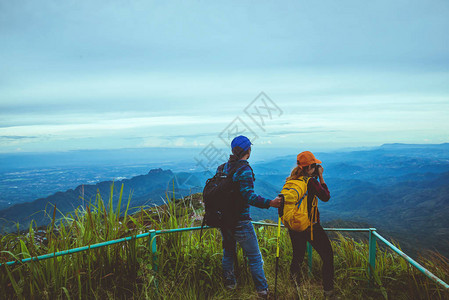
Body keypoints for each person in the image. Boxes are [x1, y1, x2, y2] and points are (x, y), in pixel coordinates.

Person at [217, 135, 281, 298]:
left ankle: (230, 286)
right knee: (254, 257)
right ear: (248, 150)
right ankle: (262, 291)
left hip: (224, 220)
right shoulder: (244, 170)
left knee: (228, 253)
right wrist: (270, 203)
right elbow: (249, 196)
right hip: (240, 220)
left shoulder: (223, 168)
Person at [280, 151, 335, 298]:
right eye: (315, 165)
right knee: (328, 256)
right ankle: (328, 291)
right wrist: (321, 177)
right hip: (311, 225)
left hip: (294, 224)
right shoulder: (310, 182)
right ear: (310, 167)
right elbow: (325, 196)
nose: (317, 167)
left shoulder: (292, 179)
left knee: (297, 256)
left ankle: (295, 289)